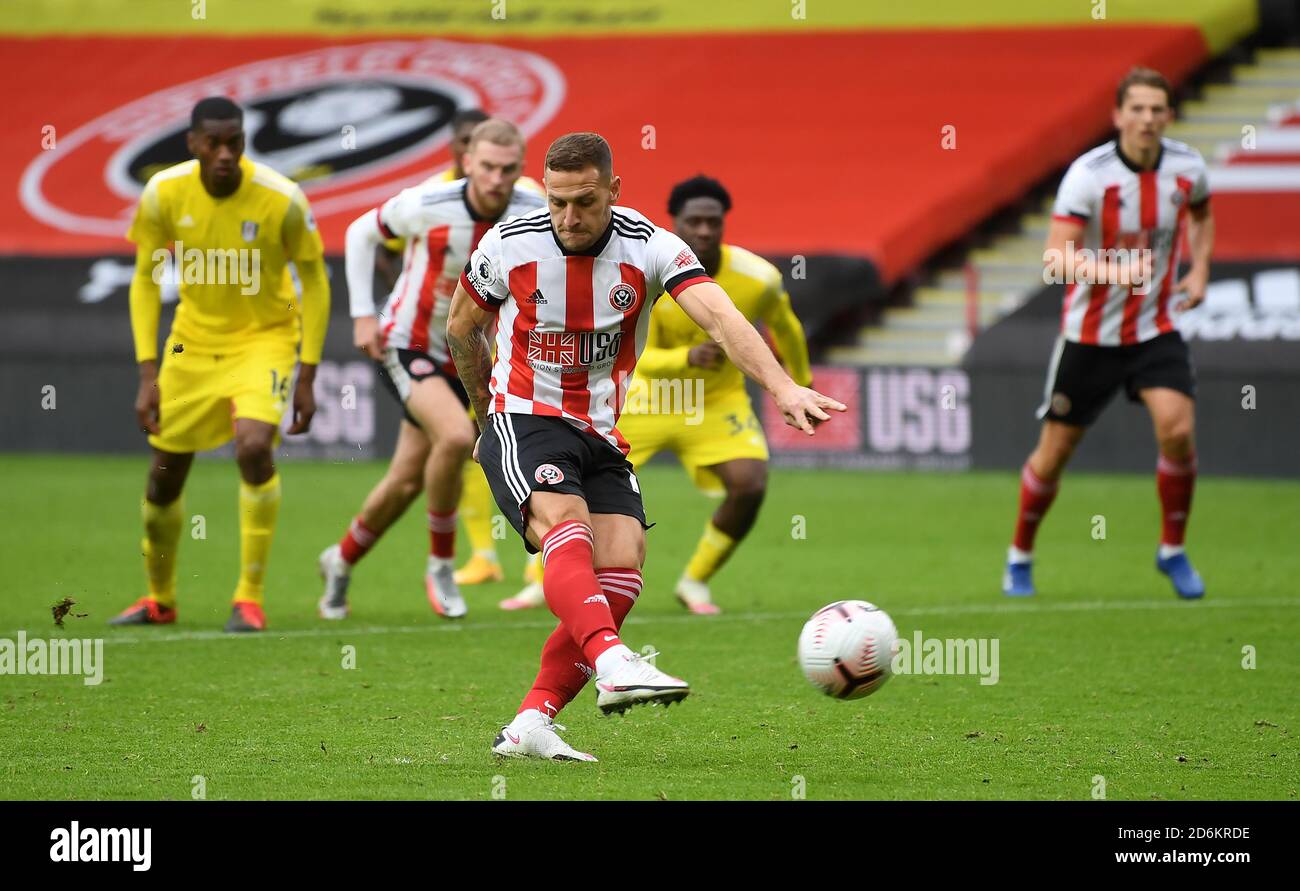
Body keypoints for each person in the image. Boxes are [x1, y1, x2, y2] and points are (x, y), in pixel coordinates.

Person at [446, 132, 845, 761]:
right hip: (522, 415)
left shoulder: (652, 247)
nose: (568, 218)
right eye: (556, 202)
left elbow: (720, 316)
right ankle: (613, 662)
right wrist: (483, 423)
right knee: (563, 523)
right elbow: (461, 327)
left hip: (599, 430)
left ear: (614, 190)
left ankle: (531, 724)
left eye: (583, 202)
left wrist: (782, 385)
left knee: (623, 566)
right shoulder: (508, 243)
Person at [500, 175, 811, 615]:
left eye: (712, 222)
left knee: (750, 483)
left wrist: (800, 380)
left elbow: (787, 327)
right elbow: (632, 355)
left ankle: (695, 581)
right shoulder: (648, 264)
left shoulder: (758, 278)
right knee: (568, 483)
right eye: (694, 222)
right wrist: (685, 358)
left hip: (714, 403)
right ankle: (539, 581)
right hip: (647, 397)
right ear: (676, 223)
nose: (703, 230)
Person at [111, 97, 329, 632]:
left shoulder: (282, 199)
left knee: (253, 447)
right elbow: (143, 280)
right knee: (164, 478)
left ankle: (247, 598)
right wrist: (147, 374)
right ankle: (159, 598)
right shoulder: (164, 193)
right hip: (191, 343)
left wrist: (308, 373)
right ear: (193, 143)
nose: (225, 153)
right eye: (214, 143)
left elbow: (316, 280)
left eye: (235, 141)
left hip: (265, 339)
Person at [318, 119, 543, 619]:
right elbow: (360, 233)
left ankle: (341, 559)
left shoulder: (534, 210)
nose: (495, 179)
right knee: (459, 440)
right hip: (411, 342)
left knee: (405, 480)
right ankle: (442, 565)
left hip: (474, 354)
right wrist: (360, 314)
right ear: (466, 162)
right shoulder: (427, 202)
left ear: (520, 170)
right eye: (486, 166)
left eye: (508, 169)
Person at [1003, 67, 1213, 600]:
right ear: (1118, 115)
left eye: (1156, 109)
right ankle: (1020, 556)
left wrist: (1201, 268)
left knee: (1179, 430)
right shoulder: (1089, 177)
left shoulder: (1189, 168)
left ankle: (1172, 550)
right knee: (1053, 455)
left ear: (1169, 114)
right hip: (1090, 335)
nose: (1147, 119)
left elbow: (1202, 215)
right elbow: (1054, 261)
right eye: (1136, 109)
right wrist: (1117, 272)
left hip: (1155, 328)